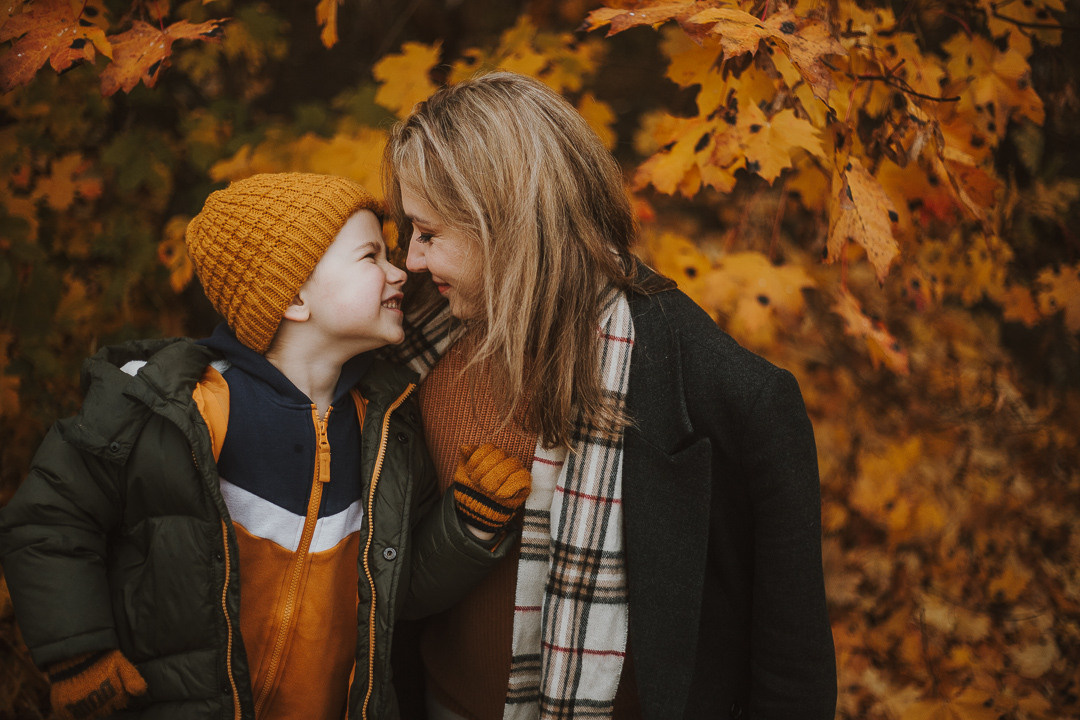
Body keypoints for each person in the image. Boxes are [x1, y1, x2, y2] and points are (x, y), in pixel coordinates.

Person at [382, 73, 837, 720]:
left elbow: (792, 672)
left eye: (429, 234)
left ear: (506, 222)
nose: (412, 259)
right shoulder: (410, 348)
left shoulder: (731, 397)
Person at [0, 172, 532, 720]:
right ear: (295, 297)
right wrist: (78, 654)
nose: (400, 271)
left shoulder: (386, 428)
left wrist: (469, 526)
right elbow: (50, 519)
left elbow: (398, 591)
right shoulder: (176, 409)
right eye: (371, 256)